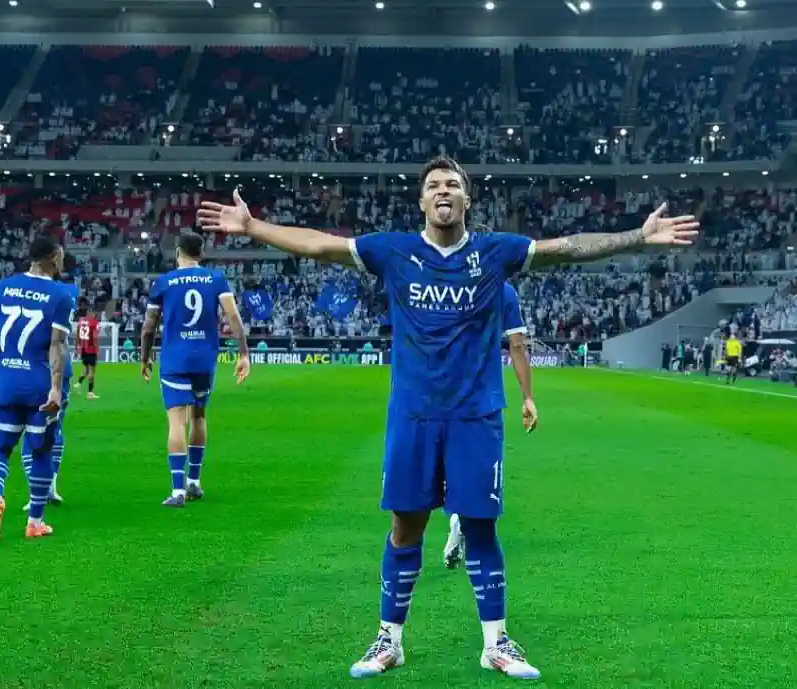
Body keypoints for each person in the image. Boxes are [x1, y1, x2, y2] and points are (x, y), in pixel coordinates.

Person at [196, 154, 698, 679]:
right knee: (406, 525)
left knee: (480, 527)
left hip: (475, 416)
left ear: (466, 199)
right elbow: (319, 243)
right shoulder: (394, 251)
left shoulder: (493, 253)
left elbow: (566, 248)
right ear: (421, 200)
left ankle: (495, 642)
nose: (443, 191)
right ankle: (389, 640)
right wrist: (253, 227)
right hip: (414, 416)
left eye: (452, 184)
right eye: (434, 184)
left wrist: (636, 237)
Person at [140, 232, 251, 507]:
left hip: (175, 360)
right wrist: (243, 353)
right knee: (199, 417)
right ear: (201, 253)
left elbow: (149, 326)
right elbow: (233, 315)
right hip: (204, 358)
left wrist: (144, 358)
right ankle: (195, 481)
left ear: (178, 252)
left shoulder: (164, 282)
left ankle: (178, 491)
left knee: (176, 421)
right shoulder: (216, 279)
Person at [0, 236, 75, 547]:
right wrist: (57, 389)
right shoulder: (61, 294)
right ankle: (35, 521)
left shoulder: (1, 287)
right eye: (60, 256)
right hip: (39, 383)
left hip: (6, 382)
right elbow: (57, 344)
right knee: (42, 450)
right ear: (51, 257)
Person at [443, 280, 536, 570]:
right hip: (485, 398)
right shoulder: (503, 290)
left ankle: (456, 518)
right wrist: (528, 397)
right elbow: (517, 345)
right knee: (483, 475)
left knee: (447, 467)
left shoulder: (443, 281)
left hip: (441, 393)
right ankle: (468, 522)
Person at [24, 277, 76, 509]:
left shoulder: (29, 292)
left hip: (36, 366)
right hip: (62, 367)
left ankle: (37, 489)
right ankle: (51, 482)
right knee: (56, 426)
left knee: (30, 427)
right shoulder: (66, 292)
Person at [75, 309, 101, 400]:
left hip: (83, 348)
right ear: (93, 313)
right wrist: (97, 350)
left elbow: (77, 333)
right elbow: (94, 337)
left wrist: (77, 347)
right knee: (92, 370)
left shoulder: (81, 320)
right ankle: (90, 393)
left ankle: (78, 384)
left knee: (86, 368)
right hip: (91, 349)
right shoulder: (94, 322)